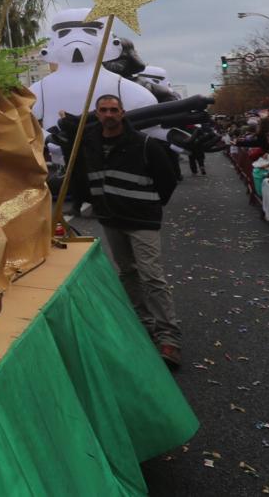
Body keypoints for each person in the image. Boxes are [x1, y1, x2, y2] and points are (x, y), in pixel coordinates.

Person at [70, 93, 182, 370]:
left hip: (142, 220)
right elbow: (80, 174)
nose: (109, 114)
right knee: (128, 272)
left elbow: (167, 179)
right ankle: (142, 323)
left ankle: (169, 337)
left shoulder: (144, 144)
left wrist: (152, 204)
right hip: (111, 219)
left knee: (151, 275)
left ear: (122, 113)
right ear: (97, 113)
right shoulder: (88, 143)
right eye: (103, 110)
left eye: (114, 110)